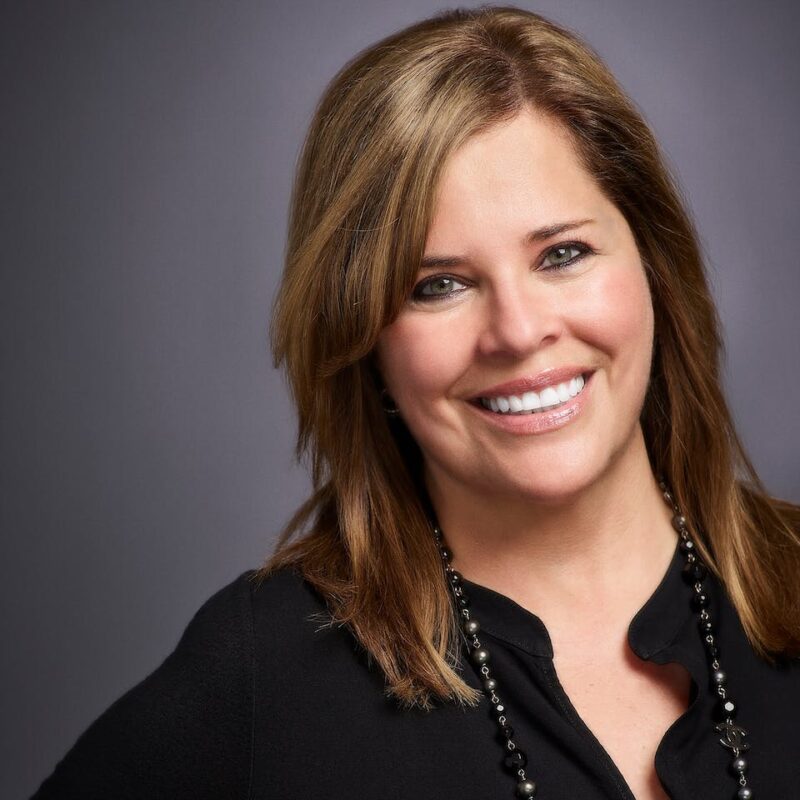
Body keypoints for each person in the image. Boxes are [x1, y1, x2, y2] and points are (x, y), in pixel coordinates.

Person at [31, 6, 800, 800]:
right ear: (363, 338)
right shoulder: (264, 673)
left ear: (654, 269)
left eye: (562, 254)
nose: (518, 330)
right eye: (439, 286)